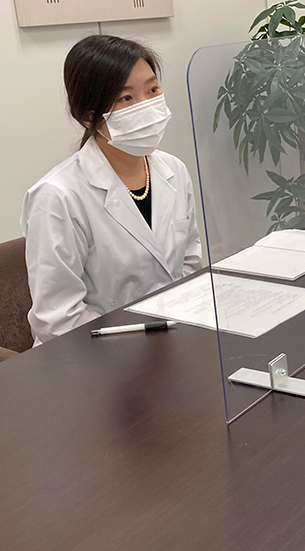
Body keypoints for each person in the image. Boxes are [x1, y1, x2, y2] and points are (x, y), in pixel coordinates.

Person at [22, 35, 201, 346]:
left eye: (153, 90)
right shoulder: (57, 196)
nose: (147, 106)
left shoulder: (173, 170)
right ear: (89, 115)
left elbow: (189, 261)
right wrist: (141, 345)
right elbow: (57, 319)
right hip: (95, 359)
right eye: (126, 99)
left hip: (170, 341)